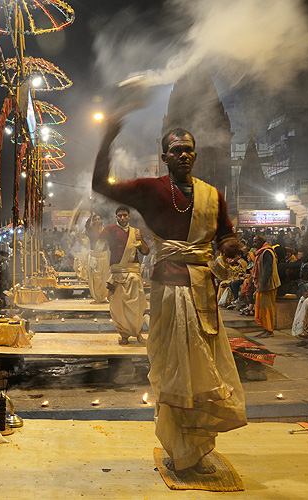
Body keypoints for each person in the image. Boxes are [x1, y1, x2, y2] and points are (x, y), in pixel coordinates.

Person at [93, 119, 246, 474]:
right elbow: (100, 185)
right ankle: (180, 449)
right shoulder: (149, 189)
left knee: (204, 371)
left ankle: (196, 447)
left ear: (195, 155)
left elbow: (225, 233)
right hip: (169, 290)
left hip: (202, 293)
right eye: (177, 150)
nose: (184, 155)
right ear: (165, 157)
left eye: (189, 149)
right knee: (175, 371)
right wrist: (108, 139)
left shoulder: (212, 195)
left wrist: (229, 246)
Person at [100, 206, 150, 345]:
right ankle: (124, 335)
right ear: (116, 217)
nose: (122, 218)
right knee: (118, 306)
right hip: (117, 274)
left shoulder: (136, 232)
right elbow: (95, 239)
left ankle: (138, 332)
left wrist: (141, 241)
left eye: (125, 215)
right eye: (120, 215)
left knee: (136, 305)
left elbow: (145, 252)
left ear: (129, 216)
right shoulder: (109, 230)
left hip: (133, 273)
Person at [252, 234, 281, 338]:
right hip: (262, 285)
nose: (254, 244)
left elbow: (268, 270)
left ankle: (269, 330)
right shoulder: (261, 252)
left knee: (267, 308)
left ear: (261, 242)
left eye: (255, 242)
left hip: (268, 285)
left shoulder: (267, 252)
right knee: (262, 308)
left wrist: (262, 285)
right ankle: (265, 329)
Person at [86, 213, 110, 303]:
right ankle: (97, 297)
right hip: (94, 257)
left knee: (104, 277)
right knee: (95, 278)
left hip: (103, 257)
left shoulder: (105, 231)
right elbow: (87, 227)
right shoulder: (91, 231)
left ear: (101, 220)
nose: (97, 221)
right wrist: (89, 218)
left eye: (98, 219)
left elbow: (109, 242)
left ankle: (103, 297)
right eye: (95, 219)